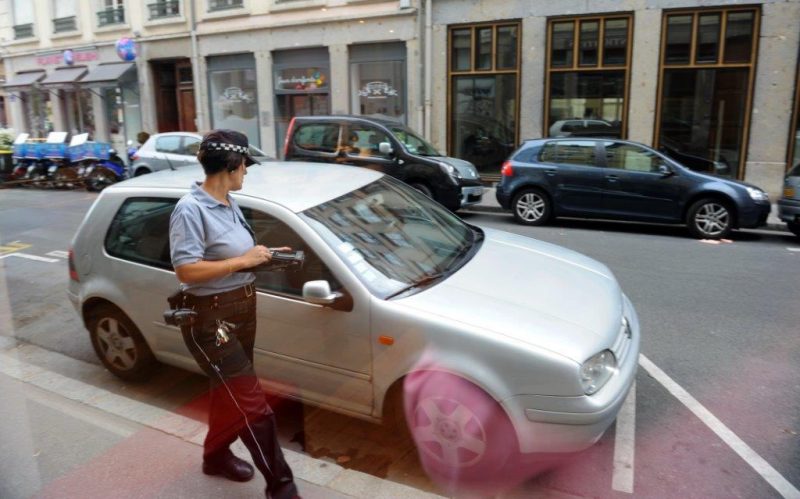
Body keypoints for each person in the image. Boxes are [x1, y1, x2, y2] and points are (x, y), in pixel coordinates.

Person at [168, 129, 300, 499]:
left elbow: (231, 256)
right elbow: (187, 270)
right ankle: (283, 488)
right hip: (211, 319)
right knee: (251, 402)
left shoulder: (227, 201)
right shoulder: (190, 209)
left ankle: (215, 456)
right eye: (246, 166)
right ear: (232, 164)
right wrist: (244, 260)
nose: (247, 172)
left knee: (228, 392)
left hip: (241, 308)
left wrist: (265, 254)